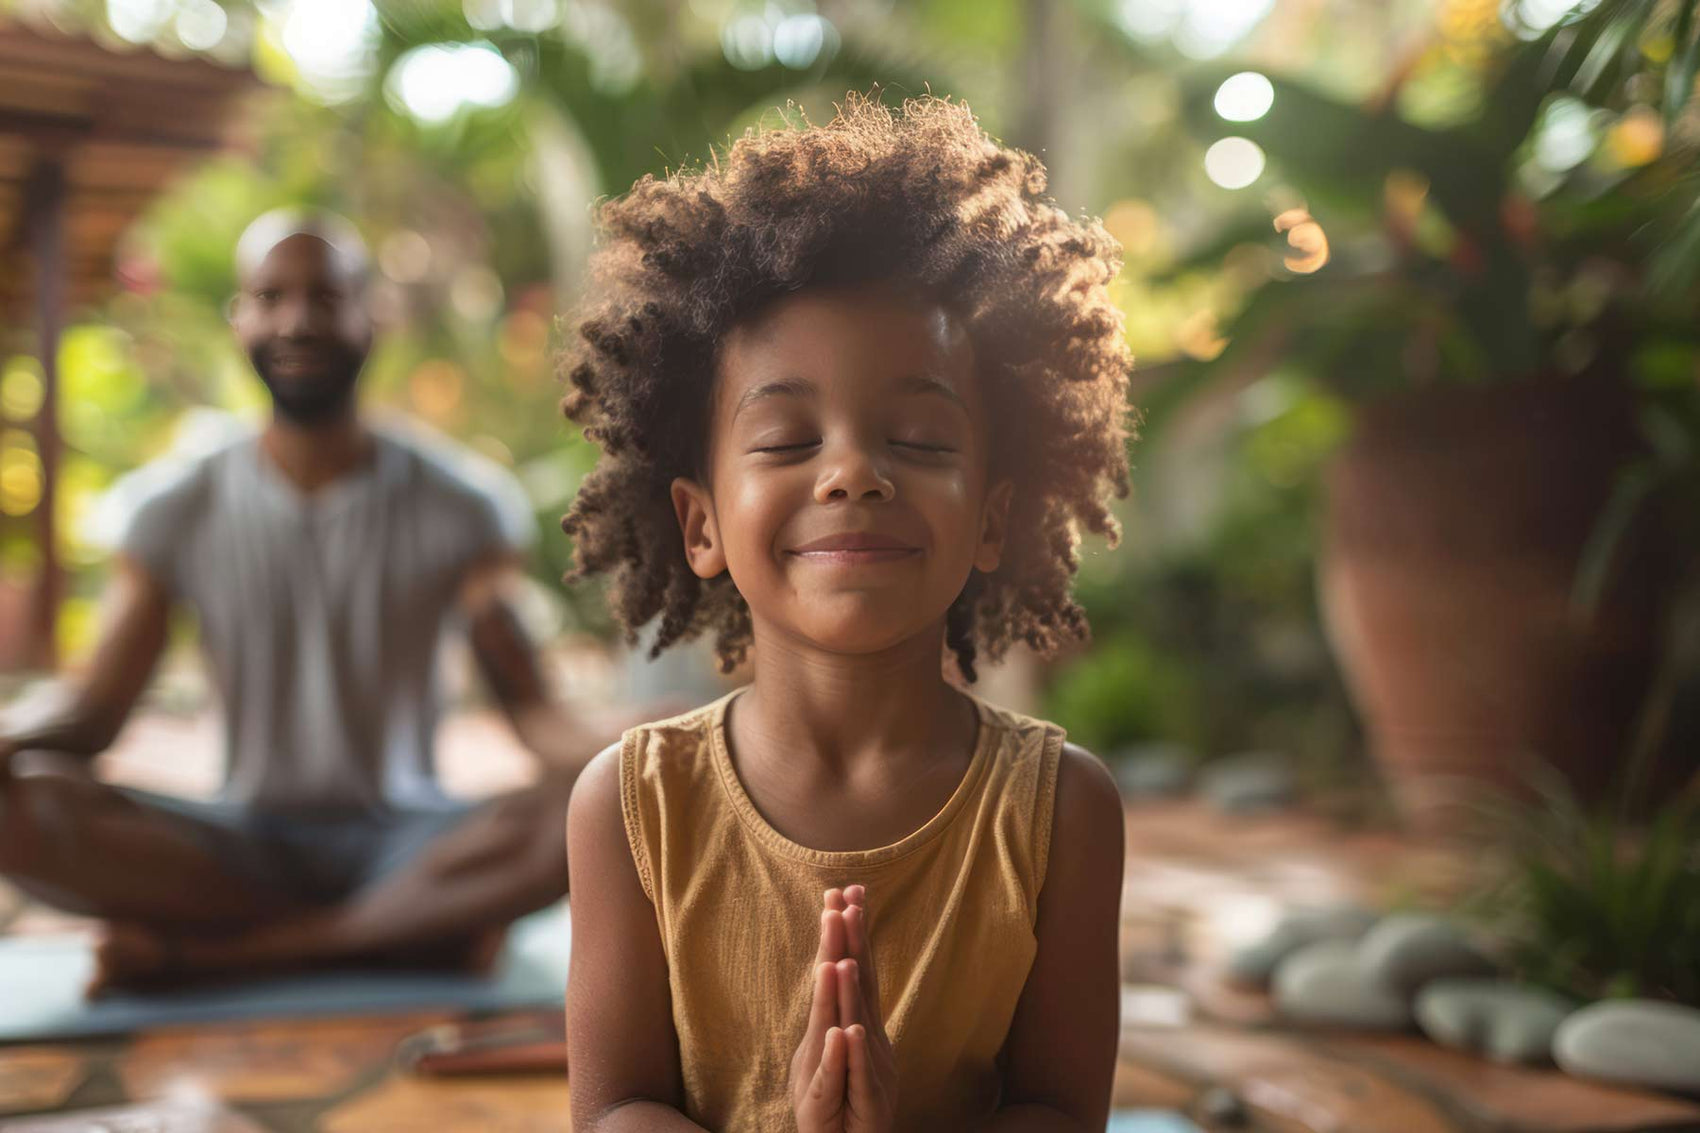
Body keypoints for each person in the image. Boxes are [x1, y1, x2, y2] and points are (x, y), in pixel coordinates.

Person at [562, 94, 1132, 1132]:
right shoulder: (632, 805)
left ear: (993, 517)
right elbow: (615, 1109)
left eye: (916, 436)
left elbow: (1059, 1107)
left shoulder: (1059, 812)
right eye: (786, 438)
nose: (853, 473)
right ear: (697, 523)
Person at [0, 209, 613, 994]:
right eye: (271, 296)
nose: (297, 319)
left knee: (594, 807)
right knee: (22, 806)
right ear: (239, 320)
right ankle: (407, 933)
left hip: (409, 839)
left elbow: (535, 716)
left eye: (325, 297)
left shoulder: (461, 503)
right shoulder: (175, 508)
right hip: (238, 848)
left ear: (372, 317)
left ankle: (240, 955)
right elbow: (90, 715)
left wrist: (638, 750)